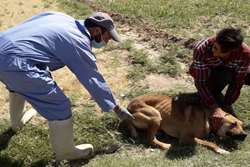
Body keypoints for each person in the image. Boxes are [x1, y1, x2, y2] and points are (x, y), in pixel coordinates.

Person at [0, 11, 134, 161]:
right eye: (107, 38)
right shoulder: (77, 41)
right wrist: (116, 108)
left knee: (19, 81)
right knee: (59, 104)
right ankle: (66, 153)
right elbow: (92, 78)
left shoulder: (60, 17)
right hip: (16, 64)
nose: (106, 42)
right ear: (97, 30)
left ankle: (16, 123)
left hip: (3, 46)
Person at [189, 27, 250, 119]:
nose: (213, 51)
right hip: (208, 72)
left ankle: (220, 100)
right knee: (223, 77)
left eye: (217, 49)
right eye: (214, 46)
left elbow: (237, 83)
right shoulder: (201, 49)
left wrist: (227, 104)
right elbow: (200, 82)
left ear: (231, 51)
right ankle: (212, 94)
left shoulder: (244, 54)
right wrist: (214, 107)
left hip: (228, 70)